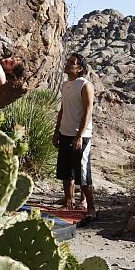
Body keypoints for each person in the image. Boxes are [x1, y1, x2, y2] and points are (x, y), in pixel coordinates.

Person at [52, 52, 96, 219]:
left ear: (79, 68)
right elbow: (63, 109)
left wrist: (80, 135)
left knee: (82, 173)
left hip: (81, 136)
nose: (68, 64)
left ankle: (91, 208)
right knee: (66, 171)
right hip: (65, 132)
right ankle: (68, 202)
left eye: (72, 62)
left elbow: (87, 111)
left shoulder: (85, 85)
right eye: (68, 61)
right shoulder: (65, 85)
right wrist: (56, 131)